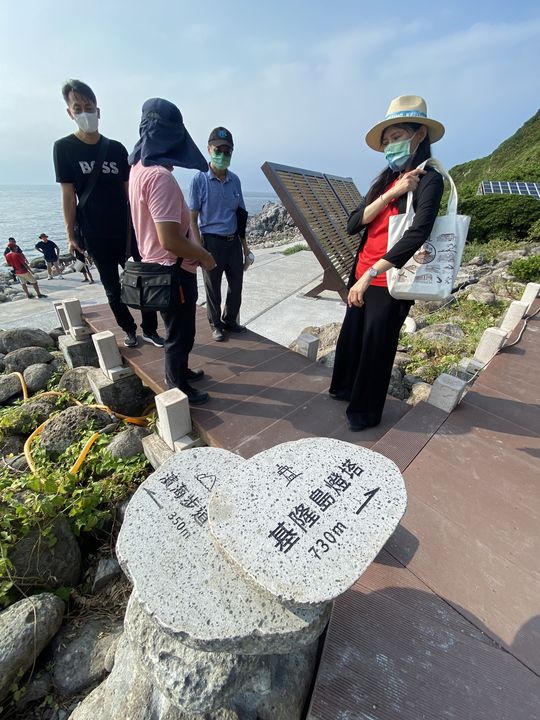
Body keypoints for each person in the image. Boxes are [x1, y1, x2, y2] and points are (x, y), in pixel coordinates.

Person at [329, 95, 445, 432]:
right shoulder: (386, 179)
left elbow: (418, 232)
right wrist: (391, 193)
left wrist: (370, 275)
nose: (391, 146)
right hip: (362, 272)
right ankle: (344, 389)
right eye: (388, 141)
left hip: (390, 280)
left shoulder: (431, 180)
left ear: (419, 135)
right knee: (352, 337)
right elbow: (354, 224)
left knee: (377, 347)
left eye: (398, 137)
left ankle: (364, 413)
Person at [53, 79, 163, 348]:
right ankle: (129, 330)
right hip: (94, 232)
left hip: (127, 230)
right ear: (70, 112)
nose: (84, 113)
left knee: (144, 281)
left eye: (88, 107)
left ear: (98, 111)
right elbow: (68, 195)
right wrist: (70, 234)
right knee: (112, 289)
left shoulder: (115, 149)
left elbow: (132, 192)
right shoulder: (64, 148)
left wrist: (146, 225)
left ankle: (150, 329)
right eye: (77, 108)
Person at [128, 98, 217, 404]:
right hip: (173, 269)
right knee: (181, 333)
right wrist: (204, 256)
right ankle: (177, 385)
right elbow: (169, 239)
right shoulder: (160, 178)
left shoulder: (138, 169)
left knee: (177, 328)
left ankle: (181, 370)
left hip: (156, 266)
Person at [189, 127, 251, 341]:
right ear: (209, 149)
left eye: (227, 151)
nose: (223, 155)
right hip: (211, 242)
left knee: (236, 286)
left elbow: (240, 215)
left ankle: (230, 320)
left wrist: (246, 248)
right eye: (219, 149)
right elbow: (192, 218)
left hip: (233, 242)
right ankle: (216, 324)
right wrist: (198, 249)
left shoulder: (235, 180)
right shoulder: (199, 180)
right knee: (212, 288)